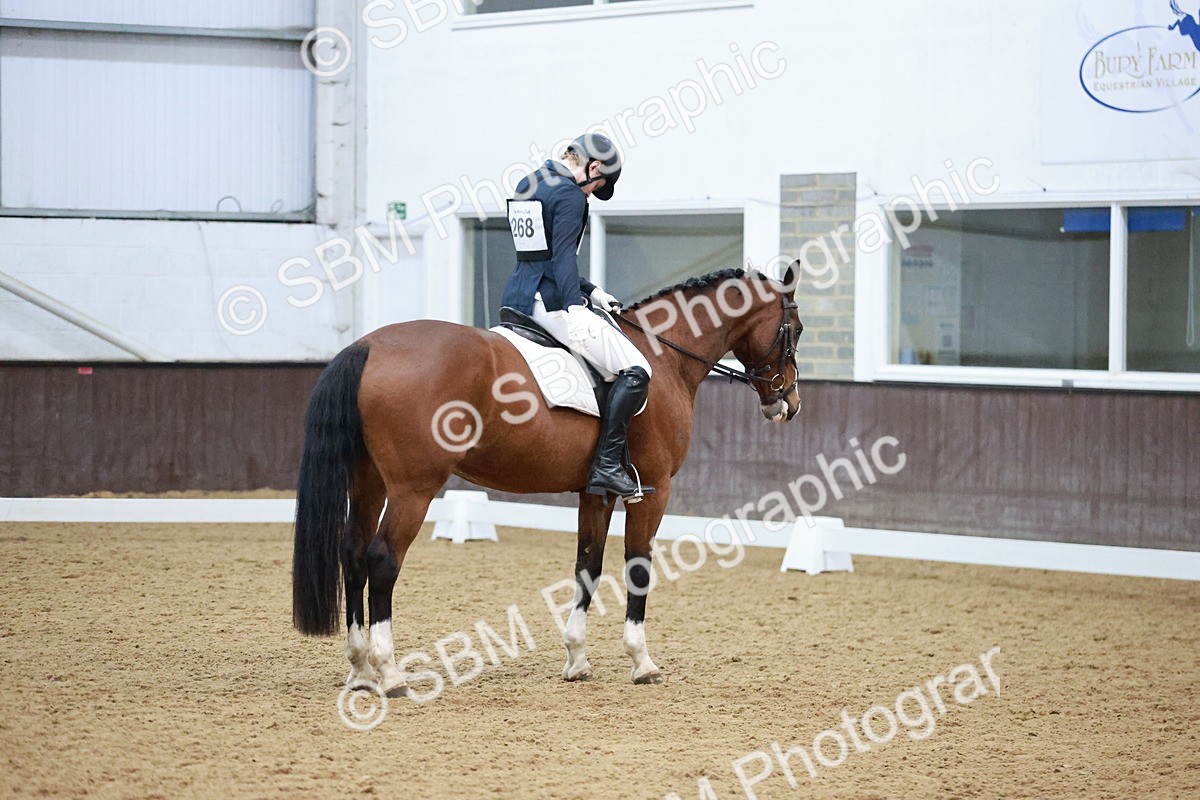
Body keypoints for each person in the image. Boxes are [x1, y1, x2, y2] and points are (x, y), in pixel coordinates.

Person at [499, 133, 653, 499]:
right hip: (551, 305)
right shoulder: (569, 194)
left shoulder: (529, 181)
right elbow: (564, 257)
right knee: (637, 370)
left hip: (517, 299)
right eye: (595, 186)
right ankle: (607, 466)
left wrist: (591, 290)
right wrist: (574, 305)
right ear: (593, 166)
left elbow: (541, 255)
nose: (590, 193)